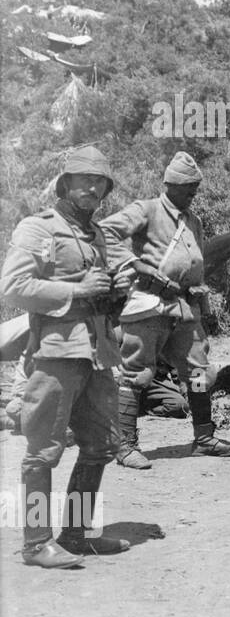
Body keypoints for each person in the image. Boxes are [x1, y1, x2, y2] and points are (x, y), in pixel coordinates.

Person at [0, 146, 137, 567]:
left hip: (98, 353)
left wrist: (118, 290)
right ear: (65, 184)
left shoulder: (97, 234)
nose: (93, 188)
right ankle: (36, 543)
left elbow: (102, 295)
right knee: (42, 452)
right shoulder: (38, 228)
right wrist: (78, 289)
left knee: (101, 445)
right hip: (56, 354)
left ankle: (75, 536)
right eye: (84, 180)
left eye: (100, 183)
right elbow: (14, 287)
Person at [101, 151, 230, 468]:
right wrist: (134, 264)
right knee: (137, 372)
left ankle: (204, 438)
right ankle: (126, 447)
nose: (193, 192)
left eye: (195, 186)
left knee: (197, 372)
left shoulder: (194, 222)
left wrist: (200, 300)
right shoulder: (146, 210)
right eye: (187, 187)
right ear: (170, 184)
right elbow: (105, 233)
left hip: (184, 307)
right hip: (149, 304)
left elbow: (196, 265)